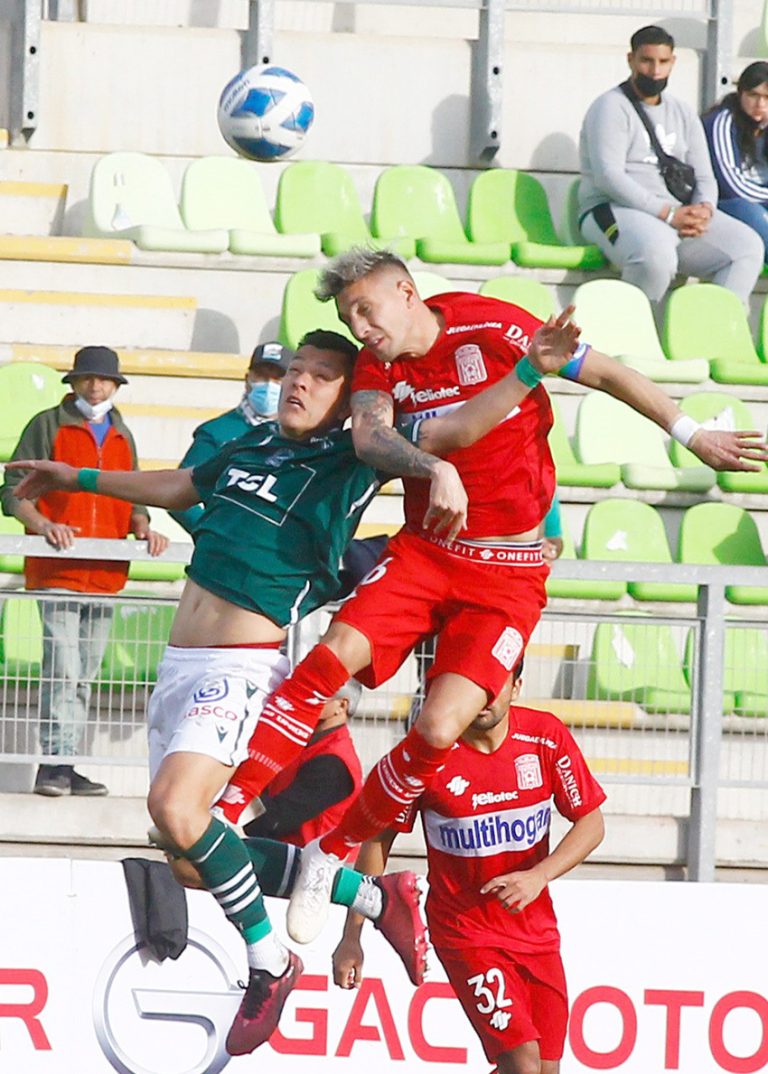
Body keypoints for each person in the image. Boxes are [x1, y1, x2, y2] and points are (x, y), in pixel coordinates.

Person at [6, 325, 553, 1054]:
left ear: (350, 398)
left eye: (321, 376)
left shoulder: (353, 456)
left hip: (240, 668)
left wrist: (525, 372)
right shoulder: (251, 443)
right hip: (180, 668)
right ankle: (372, 893)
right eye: (294, 369)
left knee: (175, 806)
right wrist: (76, 478)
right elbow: (181, 486)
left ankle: (269, 963)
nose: (297, 382)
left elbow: (457, 426)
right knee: (185, 856)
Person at [212, 247, 765, 948]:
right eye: (348, 315)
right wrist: (435, 465)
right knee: (328, 661)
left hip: (507, 573)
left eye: (365, 309)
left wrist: (691, 433)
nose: (359, 326)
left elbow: (608, 372)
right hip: (425, 551)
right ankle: (226, 812)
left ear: (407, 293)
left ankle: (332, 853)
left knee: (439, 731)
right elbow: (376, 436)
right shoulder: (379, 368)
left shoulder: (494, 327)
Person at [333, 662, 606, 1074]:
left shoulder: (545, 738)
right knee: (523, 1064)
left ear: (516, 687)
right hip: (465, 933)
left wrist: (539, 876)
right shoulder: (426, 755)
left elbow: (592, 822)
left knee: (545, 1070)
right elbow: (376, 842)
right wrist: (351, 935)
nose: (483, 698)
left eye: (493, 686)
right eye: (473, 687)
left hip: (536, 933)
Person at [0, 346, 168, 798]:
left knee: (86, 672)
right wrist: (44, 525)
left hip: (107, 571)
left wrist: (143, 525)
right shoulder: (46, 425)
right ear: (73, 383)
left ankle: (66, 763)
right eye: (89, 379)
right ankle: (53, 764)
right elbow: (13, 491)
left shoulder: (121, 432)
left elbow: (130, 490)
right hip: (57, 569)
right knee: (64, 668)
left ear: (115, 386)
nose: (97, 387)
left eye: (105, 380)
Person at [578, 24, 764, 309]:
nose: (655, 71)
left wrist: (704, 209)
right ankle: (635, 339)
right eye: (647, 60)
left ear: (673, 62)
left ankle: (713, 338)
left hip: (675, 214)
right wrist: (666, 213)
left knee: (747, 247)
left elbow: (705, 175)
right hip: (612, 210)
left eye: (663, 62)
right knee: (656, 255)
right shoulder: (610, 107)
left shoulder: (682, 111)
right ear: (631, 60)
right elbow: (608, 177)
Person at [170, 341, 294, 534]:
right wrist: (213, 533)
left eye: (278, 378)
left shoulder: (302, 436)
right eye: (262, 376)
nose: (269, 384)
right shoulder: (216, 432)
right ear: (247, 380)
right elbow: (177, 494)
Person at [702, 61, 768, 265]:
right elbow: (731, 187)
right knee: (752, 212)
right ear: (740, 94)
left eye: (767, 98)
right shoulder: (722, 122)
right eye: (753, 95)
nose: (760, 105)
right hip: (727, 204)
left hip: (762, 200)